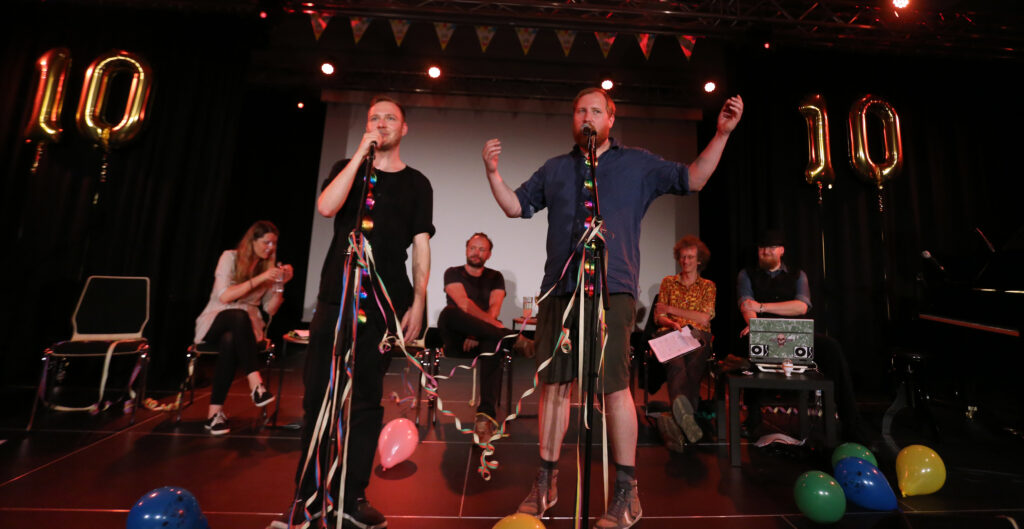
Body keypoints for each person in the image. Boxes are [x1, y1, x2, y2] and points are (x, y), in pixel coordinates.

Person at [482, 87, 743, 529]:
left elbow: (693, 179)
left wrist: (720, 134)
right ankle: (546, 483)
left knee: (614, 388)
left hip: (612, 290)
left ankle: (627, 493)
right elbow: (515, 207)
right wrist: (493, 173)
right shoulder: (556, 168)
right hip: (560, 291)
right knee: (555, 389)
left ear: (611, 119)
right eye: (580, 109)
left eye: (595, 110)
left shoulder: (637, 163)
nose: (587, 115)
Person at [270, 96, 433, 529]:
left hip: (383, 303)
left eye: (390, 118)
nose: (381, 123)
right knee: (318, 398)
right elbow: (326, 207)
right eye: (374, 118)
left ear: (404, 128)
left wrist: (419, 300)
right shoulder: (351, 166)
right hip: (336, 297)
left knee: (364, 401)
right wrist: (361, 154)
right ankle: (306, 496)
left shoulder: (418, 183)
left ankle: (351, 495)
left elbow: (421, 245)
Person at [736, 229, 868, 443]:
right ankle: (752, 419)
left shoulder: (798, 275)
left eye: (770, 248)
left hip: (794, 334)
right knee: (752, 342)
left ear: (781, 250)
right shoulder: (746, 274)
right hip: (764, 332)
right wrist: (756, 323)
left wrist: (762, 306)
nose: (765, 252)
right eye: (762, 248)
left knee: (831, 348)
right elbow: (746, 305)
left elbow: (800, 307)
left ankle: (851, 423)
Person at [193, 220, 293, 436]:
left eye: (274, 244)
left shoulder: (268, 270)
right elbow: (225, 296)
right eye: (267, 242)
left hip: (245, 330)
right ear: (253, 241)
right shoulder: (229, 257)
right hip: (216, 320)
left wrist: (280, 283)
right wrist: (261, 278)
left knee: (231, 339)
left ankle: (214, 414)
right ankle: (256, 383)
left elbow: (271, 309)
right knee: (237, 315)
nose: (271, 248)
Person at [437, 232, 534, 442]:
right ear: (466, 249)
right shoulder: (452, 273)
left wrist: (477, 332)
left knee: (493, 343)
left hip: (484, 338)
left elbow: (494, 309)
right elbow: (463, 304)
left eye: (482, 249)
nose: (476, 252)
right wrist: (474, 330)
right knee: (450, 312)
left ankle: (484, 418)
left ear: (489, 254)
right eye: (472, 247)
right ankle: (513, 338)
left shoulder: (495, 277)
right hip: (456, 338)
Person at [651, 235, 715, 453]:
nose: (686, 261)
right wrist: (670, 320)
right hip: (670, 331)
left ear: (699, 261)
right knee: (677, 361)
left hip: (697, 333)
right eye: (682, 257)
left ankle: (680, 416)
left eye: (690, 257)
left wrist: (670, 309)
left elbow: (704, 319)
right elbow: (658, 317)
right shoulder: (668, 282)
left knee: (694, 361)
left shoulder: (708, 286)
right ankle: (688, 417)